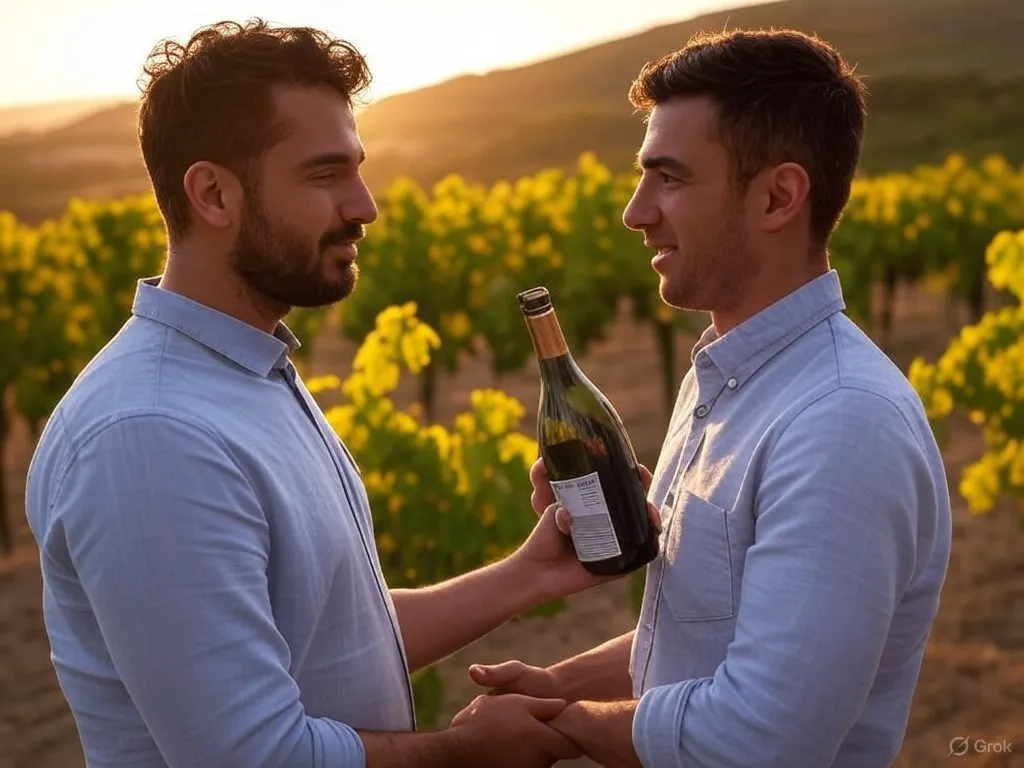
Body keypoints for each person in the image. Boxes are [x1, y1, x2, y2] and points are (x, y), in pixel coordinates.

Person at [23, 19, 659, 768]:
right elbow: (256, 757)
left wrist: (531, 575)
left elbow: (328, 640)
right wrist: (465, 752)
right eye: (325, 175)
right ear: (214, 194)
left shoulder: (245, 375)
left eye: (356, 169)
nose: (365, 206)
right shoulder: (151, 433)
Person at [469, 28, 954, 768]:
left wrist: (561, 723)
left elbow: (757, 740)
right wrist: (557, 683)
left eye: (669, 178)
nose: (635, 212)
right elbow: (715, 627)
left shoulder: (841, 422)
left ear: (777, 197)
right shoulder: (724, 378)